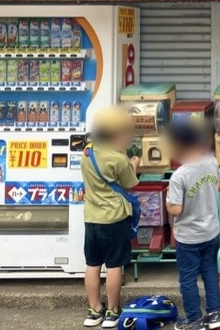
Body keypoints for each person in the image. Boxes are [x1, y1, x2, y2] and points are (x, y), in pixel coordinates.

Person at [81, 105, 140, 328]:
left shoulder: (88, 153)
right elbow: (130, 183)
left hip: (92, 218)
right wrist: (134, 164)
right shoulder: (119, 160)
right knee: (114, 265)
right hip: (114, 218)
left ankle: (95, 310)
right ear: (117, 134)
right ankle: (113, 312)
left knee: (93, 264)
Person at [166, 119, 220, 330]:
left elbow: (176, 209)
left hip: (188, 236)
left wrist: (167, 202)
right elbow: (218, 186)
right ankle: (215, 314)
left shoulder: (179, 176)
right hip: (211, 230)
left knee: (188, 278)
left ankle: (193, 319)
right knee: (209, 270)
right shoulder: (211, 161)